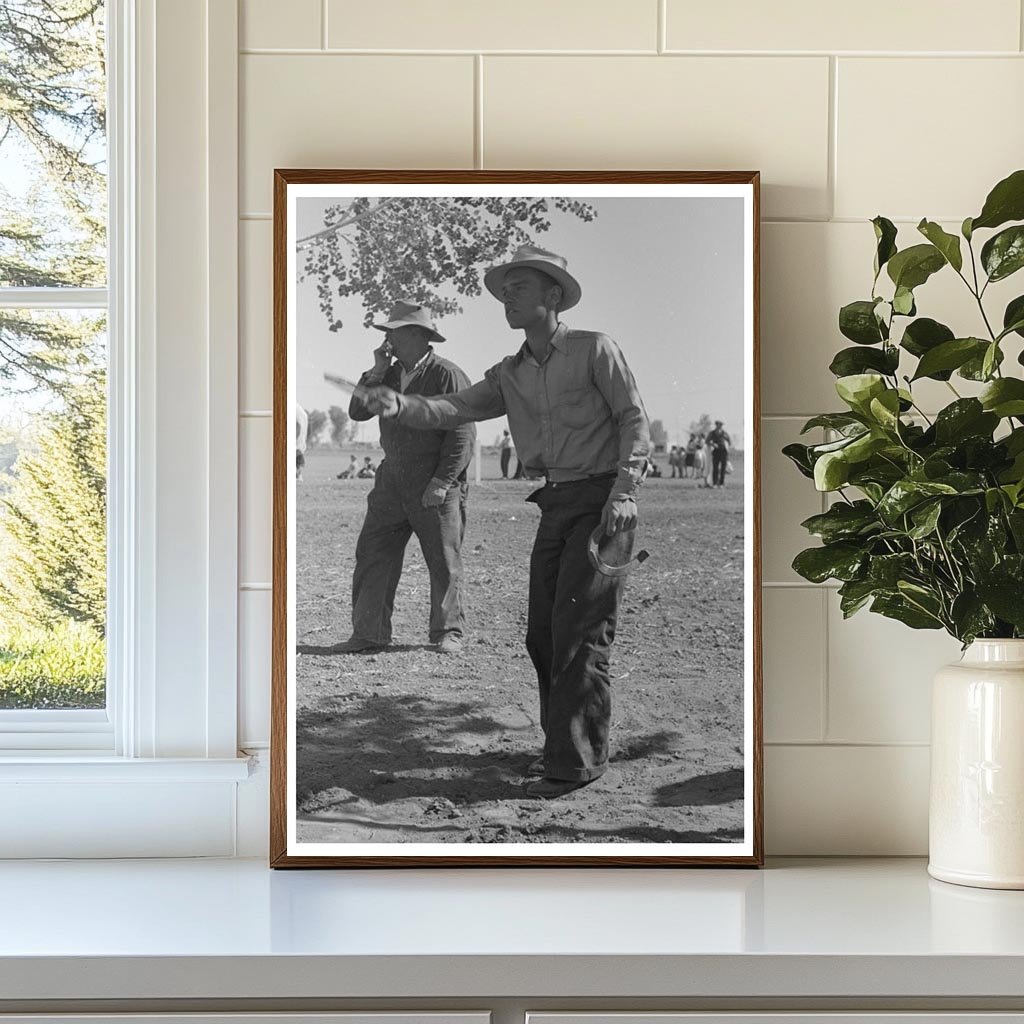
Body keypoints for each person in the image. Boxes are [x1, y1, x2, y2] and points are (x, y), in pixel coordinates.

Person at [361, 245, 650, 799]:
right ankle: (561, 749)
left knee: (580, 637)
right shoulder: (509, 372)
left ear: (553, 295)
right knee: (542, 637)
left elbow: (633, 418)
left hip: (604, 503)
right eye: (504, 289)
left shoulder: (595, 349)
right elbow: (453, 408)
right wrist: (397, 405)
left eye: (518, 287)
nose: (506, 297)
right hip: (556, 503)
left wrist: (625, 490)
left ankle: (575, 765)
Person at [334, 299, 475, 656]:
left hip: (434, 481)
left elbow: (462, 435)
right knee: (373, 554)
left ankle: (448, 632)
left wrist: (443, 481)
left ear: (416, 334)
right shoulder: (390, 373)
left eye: (392, 332)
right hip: (391, 480)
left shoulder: (448, 375)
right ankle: (369, 633)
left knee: (443, 560)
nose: (388, 340)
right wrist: (377, 369)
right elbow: (357, 411)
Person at [706, 419, 732, 488]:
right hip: (716, 451)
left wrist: (727, 445)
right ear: (716, 425)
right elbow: (707, 441)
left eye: (721, 424)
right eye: (718, 424)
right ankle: (714, 483)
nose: (720, 426)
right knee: (715, 468)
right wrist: (713, 444)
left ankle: (721, 483)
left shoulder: (724, 433)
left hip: (723, 451)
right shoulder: (712, 433)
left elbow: (729, 441)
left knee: (723, 468)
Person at [296, 404, 308, 481]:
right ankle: (298, 475)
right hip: (299, 443)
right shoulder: (299, 410)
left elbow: (298, 427)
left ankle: (297, 475)